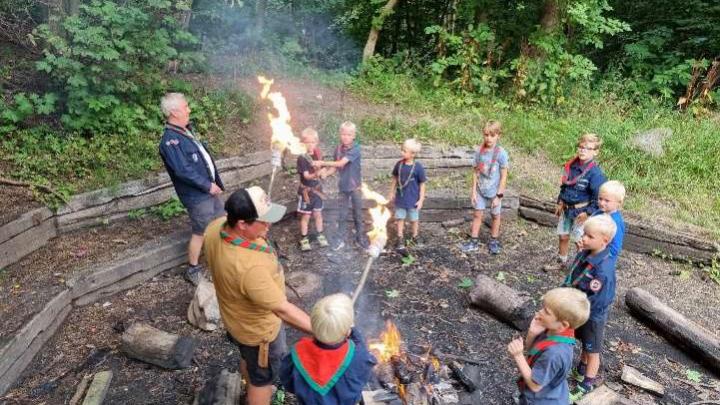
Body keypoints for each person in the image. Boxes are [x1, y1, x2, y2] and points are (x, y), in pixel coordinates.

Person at [204, 187, 313, 405]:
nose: (269, 225)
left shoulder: (215, 228)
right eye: (263, 221)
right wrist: (325, 331)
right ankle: (257, 393)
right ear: (242, 224)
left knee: (250, 361)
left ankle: (250, 380)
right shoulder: (249, 268)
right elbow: (282, 309)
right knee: (262, 381)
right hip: (260, 334)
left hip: (236, 321)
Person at [158, 92, 225, 286]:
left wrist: (214, 183)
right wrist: (207, 185)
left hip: (209, 190)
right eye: (185, 106)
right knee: (201, 231)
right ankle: (193, 269)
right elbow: (182, 171)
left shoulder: (185, 131)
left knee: (222, 222)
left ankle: (222, 258)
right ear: (174, 112)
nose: (189, 109)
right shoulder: (170, 141)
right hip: (197, 195)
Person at [280, 293, 377, 405]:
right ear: (347, 331)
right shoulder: (358, 357)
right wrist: (354, 332)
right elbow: (363, 375)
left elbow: (287, 381)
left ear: (313, 324)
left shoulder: (297, 352)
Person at [561, 214, 617, 401]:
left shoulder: (603, 269)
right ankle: (580, 370)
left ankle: (587, 383)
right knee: (583, 342)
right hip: (579, 308)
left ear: (605, 241)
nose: (583, 238)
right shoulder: (585, 253)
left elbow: (599, 299)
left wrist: (579, 311)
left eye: (589, 236)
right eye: (584, 234)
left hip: (591, 315)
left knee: (593, 349)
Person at [507, 287, 590, 405]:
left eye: (546, 311)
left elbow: (535, 386)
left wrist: (518, 356)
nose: (540, 312)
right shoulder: (555, 330)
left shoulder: (554, 354)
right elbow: (534, 353)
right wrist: (532, 334)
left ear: (563, 325)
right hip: (549, 391)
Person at [545, 133, 606, 271]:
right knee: (563, 236)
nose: (583, 150)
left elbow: (598, 197)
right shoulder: (571, 166)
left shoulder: (595, 174)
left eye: (588, 148)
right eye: (581, 147)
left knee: (581, 241)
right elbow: (565, 185)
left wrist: (588, 213)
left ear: (596, 152)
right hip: (567, 209)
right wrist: (560, 201)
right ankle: (561, 261)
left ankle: (581, 267)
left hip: (581, 213)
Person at [313, 121, 368, 251]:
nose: (345, 137)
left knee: (357, 214)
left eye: (349, 134)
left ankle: (360, 239)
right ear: (340, 134)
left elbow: (341, 163)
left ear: (353, 135)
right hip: (343, 187)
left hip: (355, 188)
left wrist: (322, 162)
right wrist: (325, 173)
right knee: (342, 214)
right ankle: (340, 239)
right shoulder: (338, 149)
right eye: (343, 134)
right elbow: (335, 168)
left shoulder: (356, 148)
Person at [460, 120, 509, 255]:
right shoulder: (479, 152)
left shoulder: (501, 153)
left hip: (494, 191)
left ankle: (494, 240)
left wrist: (499, 196)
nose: (489, 138)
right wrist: (474, 192)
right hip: (481, 189)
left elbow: (504, 176)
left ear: (498, 135)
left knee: (495, 215)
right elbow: (475, 172)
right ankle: (473, 241)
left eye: (492, 135)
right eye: (486, 135)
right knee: (477, 214)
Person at [387, 138, 427, 252]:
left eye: (405, 151)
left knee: (414, 219)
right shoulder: (399, 165)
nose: (402, 152)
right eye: (402, 150)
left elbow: (423, 184)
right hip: (401, 199)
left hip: (413, 199)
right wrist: (391, 191)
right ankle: (400, 237)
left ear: (413, 154)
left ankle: (415, 236)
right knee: (400, 218)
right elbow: (395, 178)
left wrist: (421, 199)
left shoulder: (418, 167)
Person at [576, 180, 626, 267]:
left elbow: (615, 248)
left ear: (619, 203)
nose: (602, 203)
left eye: (607, 201)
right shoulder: (598, 213)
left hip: (602, 262)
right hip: (589, 253)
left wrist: (598, 255)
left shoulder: (616, 222)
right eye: (600, 199)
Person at [296, 128, 330, 251]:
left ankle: (320, 234)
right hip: (307, 192)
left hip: (318, 191)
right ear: (303, 143)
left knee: (318, 214)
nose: (310, 145)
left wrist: (324, 172)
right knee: (306, 216)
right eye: (307, 142)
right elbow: (306, 176)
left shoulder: (318, 154)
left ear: (316, 142)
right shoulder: (302, 158)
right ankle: (304, 238)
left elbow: (325, 168)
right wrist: (316, 173)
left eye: (312, 142)